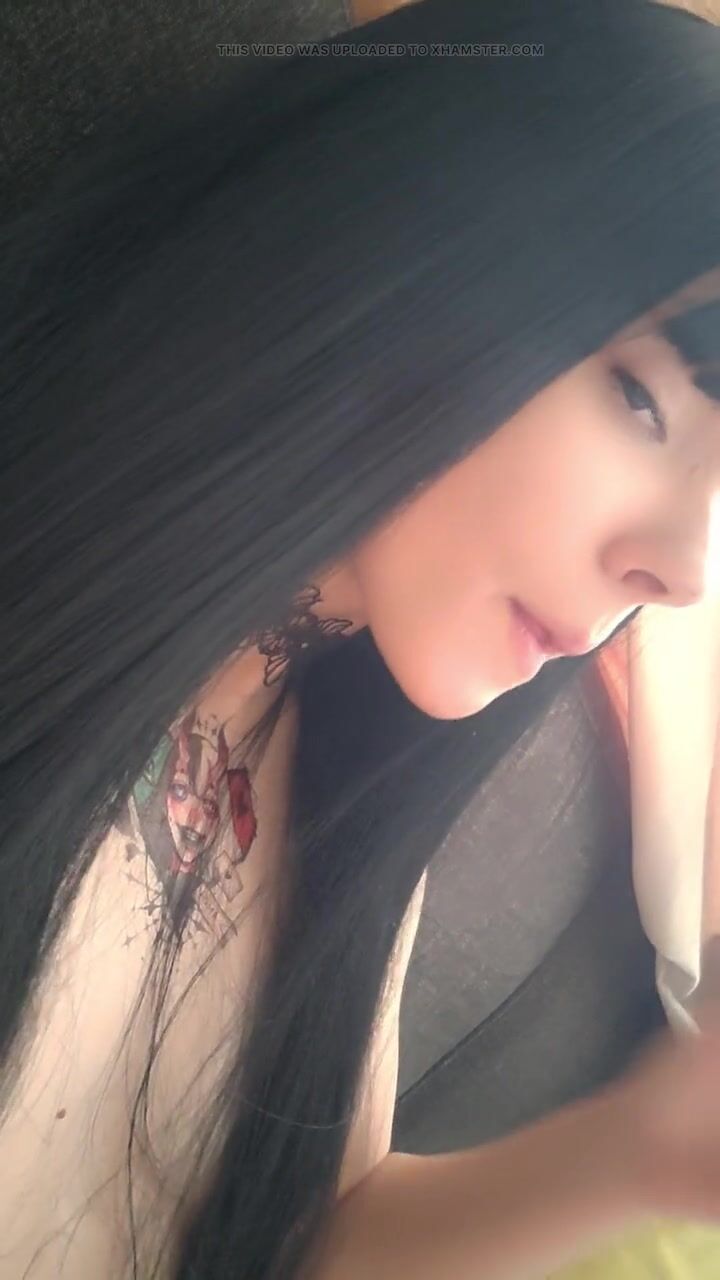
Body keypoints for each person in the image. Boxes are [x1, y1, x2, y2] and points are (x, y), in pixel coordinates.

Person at [3, 0, 720, 1275]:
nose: (681, 570)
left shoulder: (353, 758)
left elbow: (304, 1228)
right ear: (424, 251)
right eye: (642, 397)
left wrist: (634, 1153)